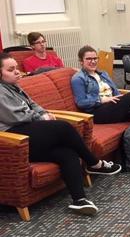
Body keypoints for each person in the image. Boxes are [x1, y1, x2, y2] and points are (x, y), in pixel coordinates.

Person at [0, 53, 121, 215]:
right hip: (14, 140)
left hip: (30, 132)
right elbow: (17, 116)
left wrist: (43, 113)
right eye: (11, 69)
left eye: (16, 68)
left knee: (67, 153)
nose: (17, 72)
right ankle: (93, 162)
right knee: (63, 128)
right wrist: (41, 116)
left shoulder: (14, 87)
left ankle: (79, 200)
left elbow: (33, 105)